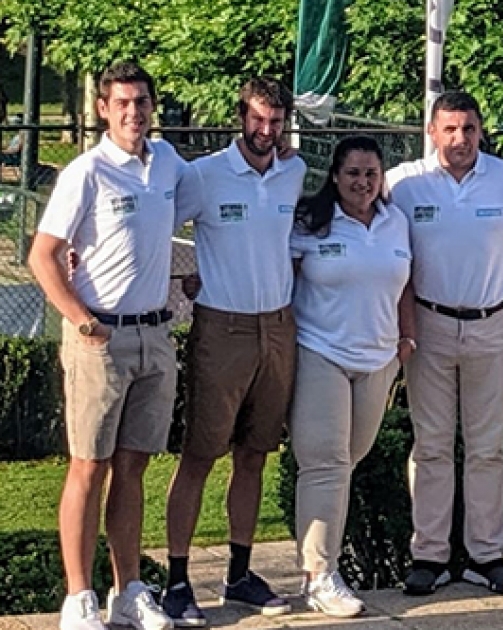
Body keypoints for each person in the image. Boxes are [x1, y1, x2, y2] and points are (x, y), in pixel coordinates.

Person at [28, 61, 180, 630]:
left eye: (141, 102)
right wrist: (81, 319)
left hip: (155, 334)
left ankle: (127, 589)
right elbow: (43, 254)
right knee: (87, 467)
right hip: (101, 338)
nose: (133, 113)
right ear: (102, 108)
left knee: (133, 466)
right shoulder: (86, 172)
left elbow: (193, 210)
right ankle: (78, 597)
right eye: (121, 102)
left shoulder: (166, 162)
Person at [162, 77, 306, 625]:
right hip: (222, 330)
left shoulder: (293, 172)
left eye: (276, 121)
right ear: (240, 117)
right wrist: (186, 278)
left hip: (279, 327)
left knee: (255, 453)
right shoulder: (204, 175)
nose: (266, 130)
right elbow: (157, 227)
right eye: (258, 119)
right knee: (201, 453)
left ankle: (240, 574)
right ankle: (177, 580)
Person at [387, 91, 503, 596]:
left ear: (480, 130)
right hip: (429, 325)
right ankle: (430, 554)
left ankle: (486, 555)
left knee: (488, 447)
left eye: (468, 129)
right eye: (449, 129)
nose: (459, 139)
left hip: (493, 323)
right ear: (431, 132)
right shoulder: (405, 184)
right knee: (432, 445)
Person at [290, 136, 414, 617]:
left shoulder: (395, 221)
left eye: (371, 173)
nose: (362, 182)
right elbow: (279, 273)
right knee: (325, 462)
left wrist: (406, 342)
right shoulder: (310, 222)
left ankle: (320, 564)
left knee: (350, 458)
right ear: (335, 177)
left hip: (379, 359)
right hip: (320, 351)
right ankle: (319, 574)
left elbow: (405, 283)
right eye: (353, 173)